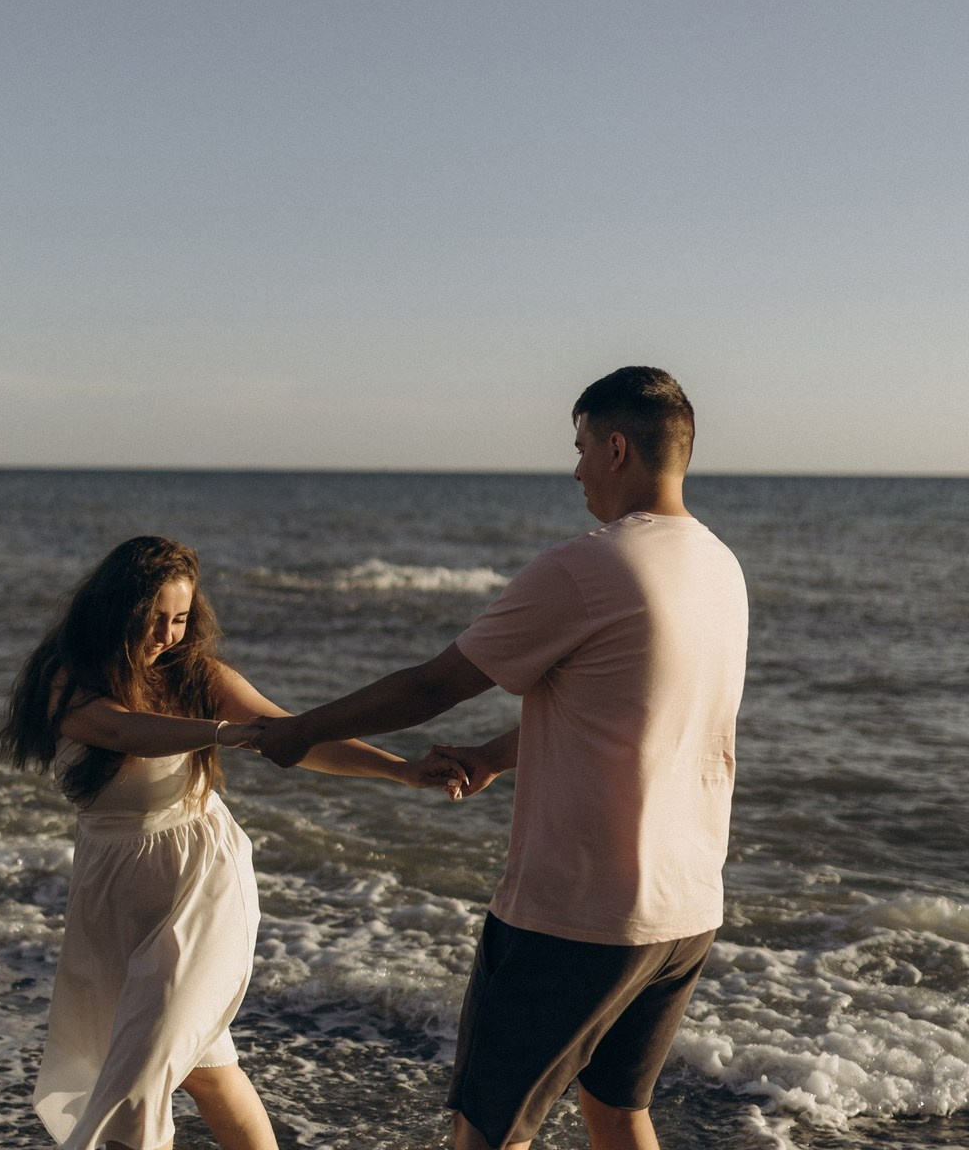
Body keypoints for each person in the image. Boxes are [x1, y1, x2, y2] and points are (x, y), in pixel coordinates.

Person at [256, 367, 749, 1150]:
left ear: (617, 448)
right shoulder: (720, 568)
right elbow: (637, 713)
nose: (577, 469)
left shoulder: (591, 566)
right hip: (684, 911)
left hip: (581, 913)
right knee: (617, 1111)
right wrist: (493, 755)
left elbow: (433, 685)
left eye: (581, 447)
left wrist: (300, 731)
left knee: (489, 1131)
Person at [0, 535, 464, 1150]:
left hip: (201, 883)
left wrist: (401, 770)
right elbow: (124, 730)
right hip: (113, 891)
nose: (167, 635)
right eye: (154, 618)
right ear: (115, 610)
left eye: (180, 619)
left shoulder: (197, 676)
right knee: (207, 1072)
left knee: (136, 1083)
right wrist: (226, 734)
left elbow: (298, 736)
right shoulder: (67, 680)